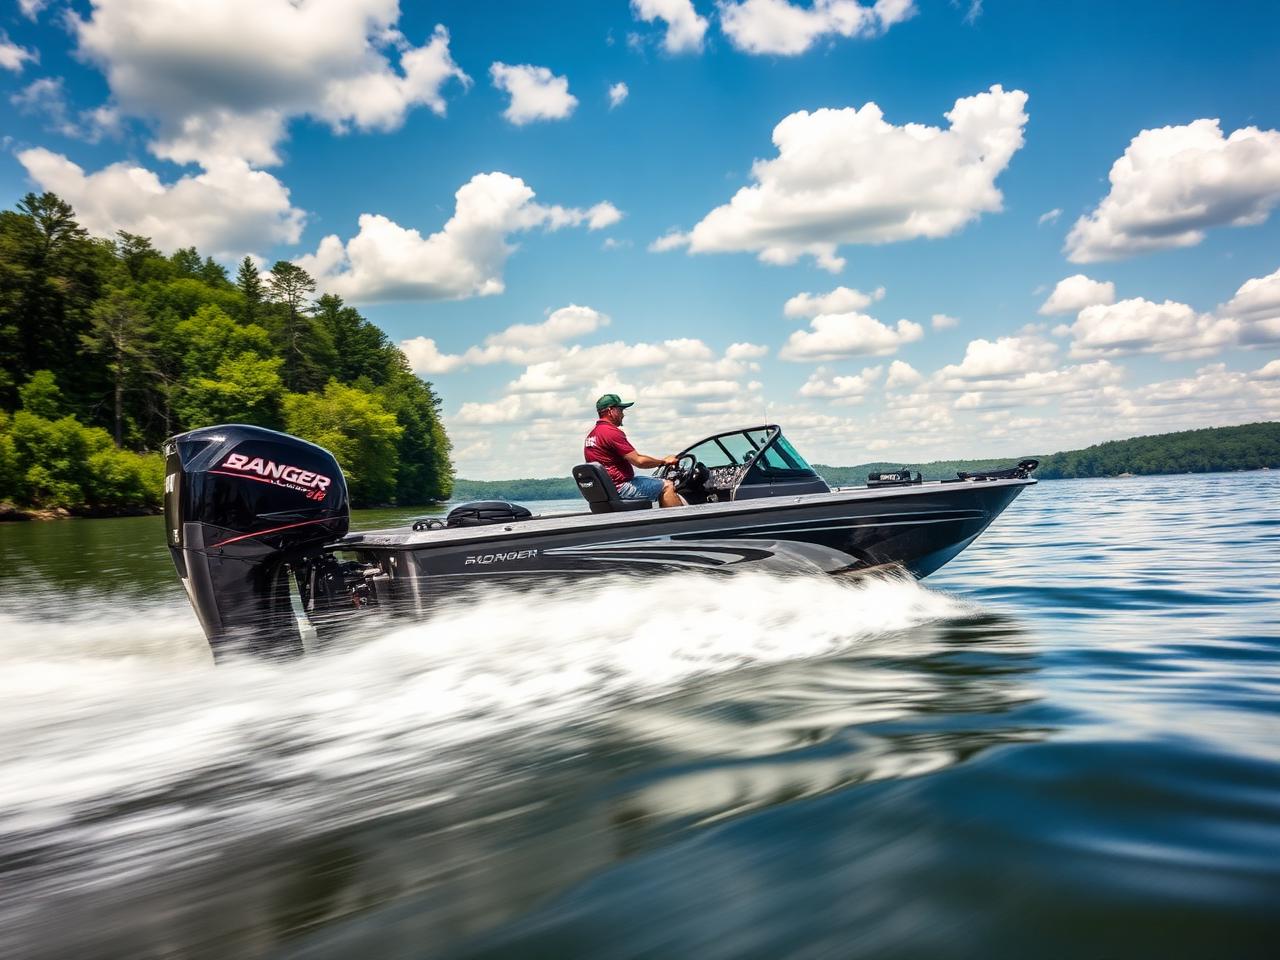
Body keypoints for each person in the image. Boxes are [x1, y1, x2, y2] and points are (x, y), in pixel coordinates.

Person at [584, 394, 683, 507]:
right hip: (620, 487)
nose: (623, 414)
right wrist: (664, 461)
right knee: (667, 485)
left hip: (607, 489)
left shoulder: (592, 435)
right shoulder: (610, 432)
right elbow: (639, 461)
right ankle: (678, 524)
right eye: (620, 410)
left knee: (655, 480)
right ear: (611, 410)